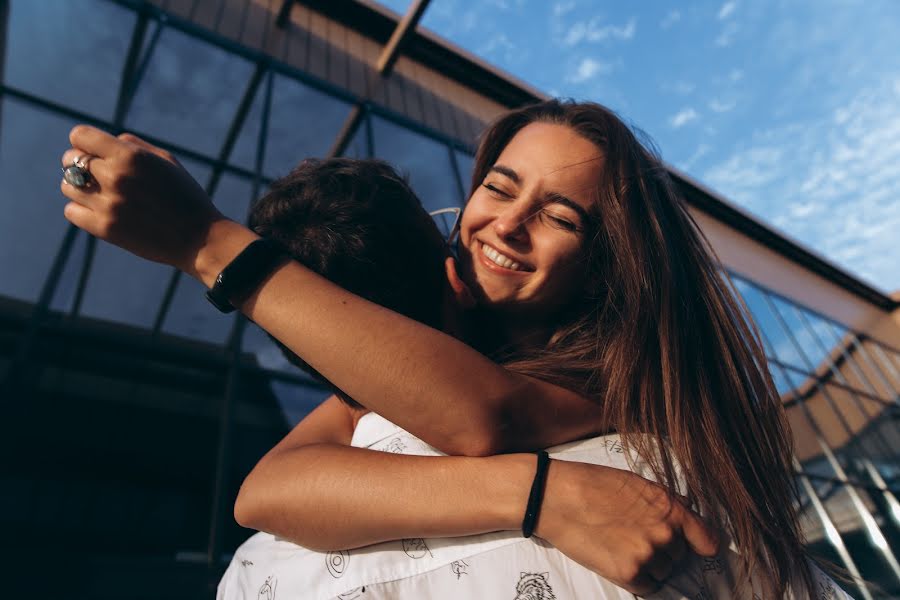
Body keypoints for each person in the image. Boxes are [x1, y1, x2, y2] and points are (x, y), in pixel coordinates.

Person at [59, 99, 842, 598]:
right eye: (500, 188)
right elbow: (267, 490)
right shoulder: (424, 354)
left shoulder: (628, 375)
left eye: (562, 217)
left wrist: (206, 240)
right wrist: (543, 495)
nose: (507, 223)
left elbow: (484, 416)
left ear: (612, 265)